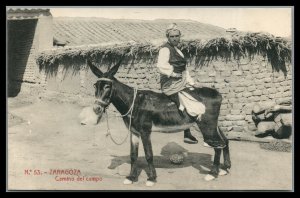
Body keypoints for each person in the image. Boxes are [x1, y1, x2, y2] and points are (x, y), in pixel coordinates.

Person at [156, 23, 206, 144]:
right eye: (172, 36)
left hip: (181, 81)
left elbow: (184, 70)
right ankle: (186, 132)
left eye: (177, 36)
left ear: (180, 36)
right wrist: (173, 74)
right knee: (185, 101)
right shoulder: (165, 49)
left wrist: (192, 83)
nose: (174, 38)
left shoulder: (179, 51)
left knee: (195, 96)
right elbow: (161, 66)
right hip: (170, 83)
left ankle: (188, 131)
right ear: (168, 37)